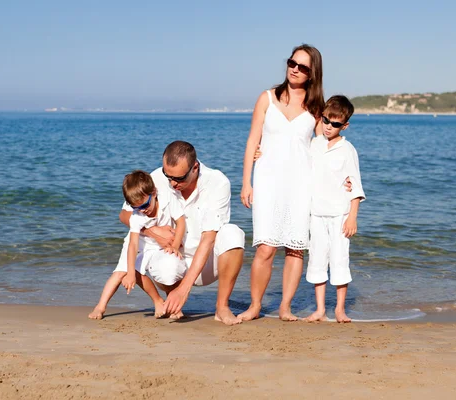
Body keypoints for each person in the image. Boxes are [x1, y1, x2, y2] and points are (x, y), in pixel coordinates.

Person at [239, 44, 325, 321]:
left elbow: (325, 147)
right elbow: (253, 140)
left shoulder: (315, 108)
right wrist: (246, 182)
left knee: (295, 248)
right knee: (265, 247)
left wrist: (344, 180)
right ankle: (255, 306)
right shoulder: (266, 98)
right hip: (267, 180)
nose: (294, 69)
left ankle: (285, 307)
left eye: (302, 67)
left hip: (302, 183)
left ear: (312, 74)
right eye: (292, 62)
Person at [119, 141, 246, 325]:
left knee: (233, 234)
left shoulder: (218, 182)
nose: (172, 183)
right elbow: (124, 214)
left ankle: (222, 307)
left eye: (178, 179)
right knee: (165, 267)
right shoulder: (156, 179)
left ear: (195, 168)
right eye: (167, 176)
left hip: (207, 263)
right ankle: (172, 300)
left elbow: (209, 239)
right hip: (173, 258)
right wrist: (152, 231)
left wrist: (185, 289)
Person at [88, 170, 186, 320]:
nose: (143, 210)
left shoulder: (167, 199)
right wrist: (131, 273)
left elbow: (181, 222)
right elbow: (133, 244)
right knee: (122, 272)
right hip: (140, 242)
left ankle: (172, 307)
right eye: (137, 208)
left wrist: (175, 245)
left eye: (145, 205)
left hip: (158, 245)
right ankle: (101, 307)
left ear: (153, 192)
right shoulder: (137, 216)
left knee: (168, 265)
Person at [305, 95, 365, 323]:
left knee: (339, 260)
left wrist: (352, 218)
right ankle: (320, 309)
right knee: (317, 260)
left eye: (336, 124)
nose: (329, 126)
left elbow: (355, 185)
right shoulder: (314, 144)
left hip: (339, 215)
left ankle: (340, 309)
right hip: (316, 214)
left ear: (344, 125)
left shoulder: (347, 150)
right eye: (326, 121)